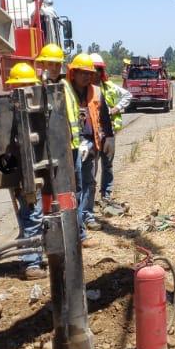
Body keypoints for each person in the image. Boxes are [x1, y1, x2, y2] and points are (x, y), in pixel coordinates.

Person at [36, 45, 85, 242]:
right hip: (55, 149)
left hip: (72, 147)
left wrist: (80, 142)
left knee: (76, 190)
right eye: (51, 64)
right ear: (43, 64)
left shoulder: (65, 84)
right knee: (58, 192)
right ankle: (60, 235)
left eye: (57, 64)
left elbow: (72, 114)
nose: (55, 68)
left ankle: (78, 233)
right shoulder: (39, 87)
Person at [5, 62, 46, 279]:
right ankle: (31, 263)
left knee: (28, 216)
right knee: (33, 216)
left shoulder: (13, 110)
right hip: (25, 176)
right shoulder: (15, 113)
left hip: (25, 174)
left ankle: (29, 257)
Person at [66, 53, 112, 232]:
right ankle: (75, 221)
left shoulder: (96, 92)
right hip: (71, 145)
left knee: (89, 181)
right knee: (75, 185)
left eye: (89, 73)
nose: (86, 76)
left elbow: (104, 116)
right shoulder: (66, 91)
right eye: (82, 73)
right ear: (74, 73)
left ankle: (87, 215)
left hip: (91, 142)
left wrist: (109, 137)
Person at [89, 54, 130, 204]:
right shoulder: (84, 89)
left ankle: (105, 195)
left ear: (101, 71)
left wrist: (116, 108)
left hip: (108, 132)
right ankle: (89, 196)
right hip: (92, 134)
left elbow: (127, 95)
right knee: (91, 167)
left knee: (107, 165)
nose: (95, 73)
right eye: (93, 69)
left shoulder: (108, 86)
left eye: (98, 69)